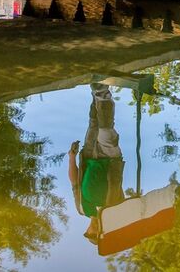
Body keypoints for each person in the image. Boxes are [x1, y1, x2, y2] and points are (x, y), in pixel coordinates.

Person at [68, 83, 125, 243]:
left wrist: (71, 157)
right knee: (106, 127)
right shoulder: (113, 208)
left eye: (89, 234)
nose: (92, 231)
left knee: (93, 121)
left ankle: (95, 88)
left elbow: (74, 183)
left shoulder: (81, 209)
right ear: (102, 231)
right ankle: (102, 89)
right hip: (110, 159)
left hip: (88, 157)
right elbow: (129, 207)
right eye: (95, 234)